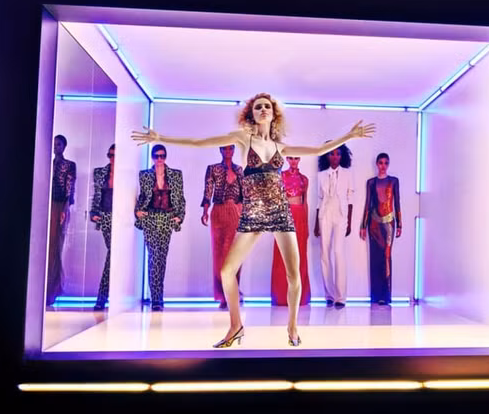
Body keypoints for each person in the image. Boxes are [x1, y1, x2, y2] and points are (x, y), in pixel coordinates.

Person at [132, 92, 375, 346]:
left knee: (294, 275)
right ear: (251, 113)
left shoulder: (281, 147)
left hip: (280, 212)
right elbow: (198, 142)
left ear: (273, 113)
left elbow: (319, 150)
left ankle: (292, 327)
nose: (263, 110)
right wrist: (161, 138)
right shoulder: (243, 138)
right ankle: (235, 325)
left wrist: (349, 136)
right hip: (252, 213)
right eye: (258, 107)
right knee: (227, 271)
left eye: (267, 106)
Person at [134, 144, 186, 311]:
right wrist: (137, 211)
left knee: (161, 258)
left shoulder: (175, 175)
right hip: (150, 218)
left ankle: (158, 296)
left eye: (162, 156)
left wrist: (180, 216)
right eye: (156, 156)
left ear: (165, 156)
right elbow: (142, 196)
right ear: (152, 157)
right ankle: (156, 298)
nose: (159, 159)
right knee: (153, 257)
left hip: (167, 219)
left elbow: (180, 198)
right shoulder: (144, 175)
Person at [201, 145, 244, 309]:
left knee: (233, 253)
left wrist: (244, 213)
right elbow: (207, 191)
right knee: (219, 254)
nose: (228, 152)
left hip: (235, 212)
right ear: (220, 150)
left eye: (230, 149)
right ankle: (223, 294)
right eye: (224, 149)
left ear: (234, 150)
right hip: (218, 212)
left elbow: (244, 194)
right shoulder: (213, 169)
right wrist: (205, 211)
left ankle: (232, 292)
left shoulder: (239, 170)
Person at [313, 143, 354, 308]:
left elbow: (350, 200)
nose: (335, 157)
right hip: (325, 214)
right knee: (324, 253)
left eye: (338, 154)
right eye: (331, 154)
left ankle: (341, 297)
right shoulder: (321, 175)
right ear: (326, 156)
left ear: (342, 156)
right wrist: (316, 224)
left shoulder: (348, 174)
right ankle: (329, 295)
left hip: (341, 214)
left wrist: (349, 221)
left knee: (338, 252)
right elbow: (319, 200)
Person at [359, 153, 402, 305]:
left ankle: (386, 296)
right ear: (377, 164)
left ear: (388, 164)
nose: (383, 166)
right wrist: (363, 226)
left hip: (389, 223)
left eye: (386, 163)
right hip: (374, 224)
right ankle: (375, 296)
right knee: (375, 258)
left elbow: (397, 203)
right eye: (381, 163)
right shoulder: (371, 182)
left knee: (386, 257)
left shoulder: (394, 181)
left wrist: (400, 224)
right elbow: (368, 204)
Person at [270, 155, 310, 306]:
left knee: (300, 254)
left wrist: (307, 224)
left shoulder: (304, 179)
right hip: (285, 215)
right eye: (291, 158)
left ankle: (299, 296)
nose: (294, 161)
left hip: (300, 217)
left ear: (299, 160)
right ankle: (281, 295)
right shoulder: (280, 176)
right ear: (287, 159)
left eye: (296, 158)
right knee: (283, 254)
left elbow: (305, 202)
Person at [46, 134, 76, 306]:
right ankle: (46, 287)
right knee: (47, 247)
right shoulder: (49, 163)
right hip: (47, 206)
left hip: (59, 207)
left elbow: (70, 190)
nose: (55, 147)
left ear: (64, 147)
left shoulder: (69, 165)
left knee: (55, 247)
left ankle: (53, 289)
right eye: (54, 144)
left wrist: (64, 209)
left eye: (58, 144)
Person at [89, 144, 115, 311]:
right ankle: (102, 298)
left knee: (113, 255)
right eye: (110, 155)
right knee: (113, 254)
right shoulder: (100, 172)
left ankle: (102, 298)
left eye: (115, 155)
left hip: (121, 219)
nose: (112, 158)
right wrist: (93, 212)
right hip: (105, 216)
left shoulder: (126, 174)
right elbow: (96, 195)